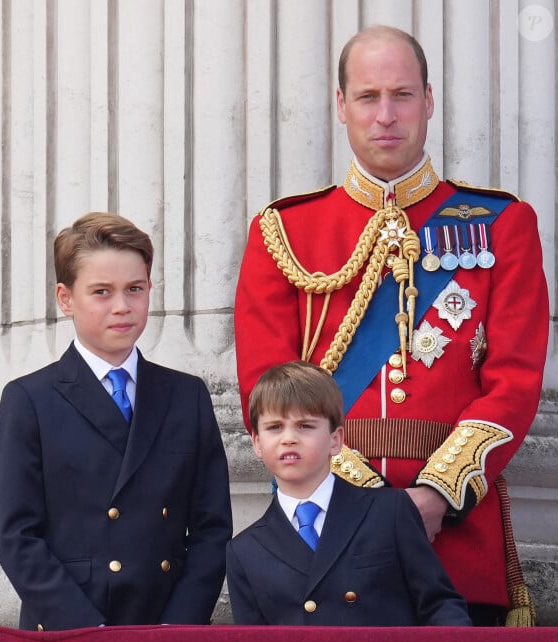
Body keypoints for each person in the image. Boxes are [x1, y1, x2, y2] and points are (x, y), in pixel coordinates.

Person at [234, 25, 548, 626]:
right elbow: (265, 384)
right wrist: (367, 509)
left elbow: (514, 381)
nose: (385, 115)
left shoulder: (501, 223)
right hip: (327, 535)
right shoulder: (284, 231)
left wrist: (434, 497)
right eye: (368, 96)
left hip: (455, 534)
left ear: (428, 102)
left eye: (402, 95)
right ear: (340, 105)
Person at [0, 212, 232, 631]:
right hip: (71, 625)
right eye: (102, 291)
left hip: (166, 623)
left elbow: (213, 527)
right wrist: (86, 630)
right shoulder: (28, 399)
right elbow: (17, 537)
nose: (122, 306)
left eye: (134, 289)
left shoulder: (186, 395)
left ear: (149, 290)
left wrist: (178, 626)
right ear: (65, 299)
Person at [226, 361, 471, 626]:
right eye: (274, 427)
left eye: (305, 426)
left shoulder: (390, 511)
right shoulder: (244, 550)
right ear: (257, 443)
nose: (289, 438)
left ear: (335, 440)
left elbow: (440, 607)